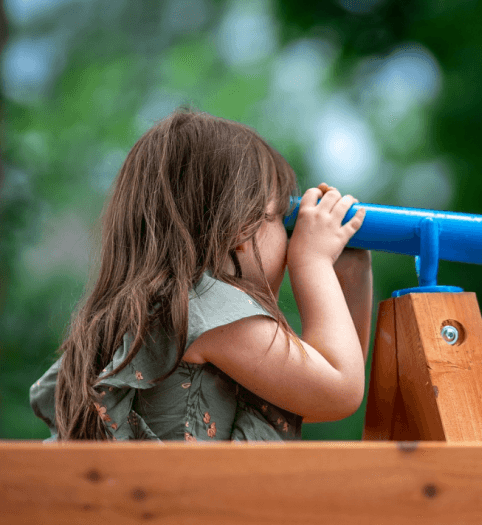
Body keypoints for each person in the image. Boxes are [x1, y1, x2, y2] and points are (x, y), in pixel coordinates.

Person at [29, 107, 372, 441]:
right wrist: (313, 262)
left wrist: (350, 273)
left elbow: (308, 393)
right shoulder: (208, 310)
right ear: (242, 228)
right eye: (282, 218)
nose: (290, 238)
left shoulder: (155, 310)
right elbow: (338, 389)